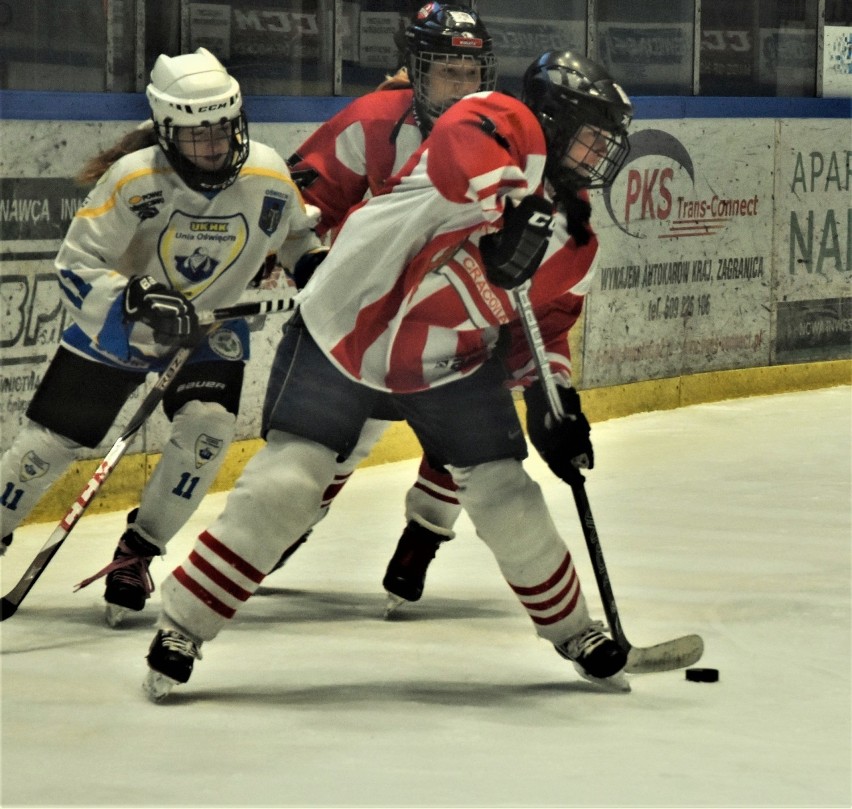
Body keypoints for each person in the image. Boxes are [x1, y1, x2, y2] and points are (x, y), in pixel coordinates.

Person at [140, 48, 634, 703]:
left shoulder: (574, 241)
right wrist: (510, 213)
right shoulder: (501, 118)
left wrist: (557, 403)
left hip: (448, 365)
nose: (601, 156)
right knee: (289, 483)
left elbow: (545, 332)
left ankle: (576, 629)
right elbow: (461, 144)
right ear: (557, 117)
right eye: (593, 135)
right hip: (345, 329)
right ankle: (182, 624)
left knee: (506, 493)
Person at [0, 47, 317, 627]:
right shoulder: (136, 178)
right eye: (197, 135)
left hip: (211, 331)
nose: (214, 144)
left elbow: (297, 235)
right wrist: (132, 299)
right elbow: (75, 262)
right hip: (121, 328)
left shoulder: (267, 174)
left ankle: (137, 554)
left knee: (208, 431)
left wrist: (310, 269)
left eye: (223, 129)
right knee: (45, 447)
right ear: (166, 131)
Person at [277, 1, 498, 612]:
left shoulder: (503, 134)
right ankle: (291, 522)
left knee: (467, 434)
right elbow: (300, 195)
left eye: (471, 73)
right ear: (416, 70)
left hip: (455, 312)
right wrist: (304, 253)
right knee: (342, 440)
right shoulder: (374, 121)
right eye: (447, 72)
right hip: (372, 312)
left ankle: (423, 539)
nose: (462, 87)